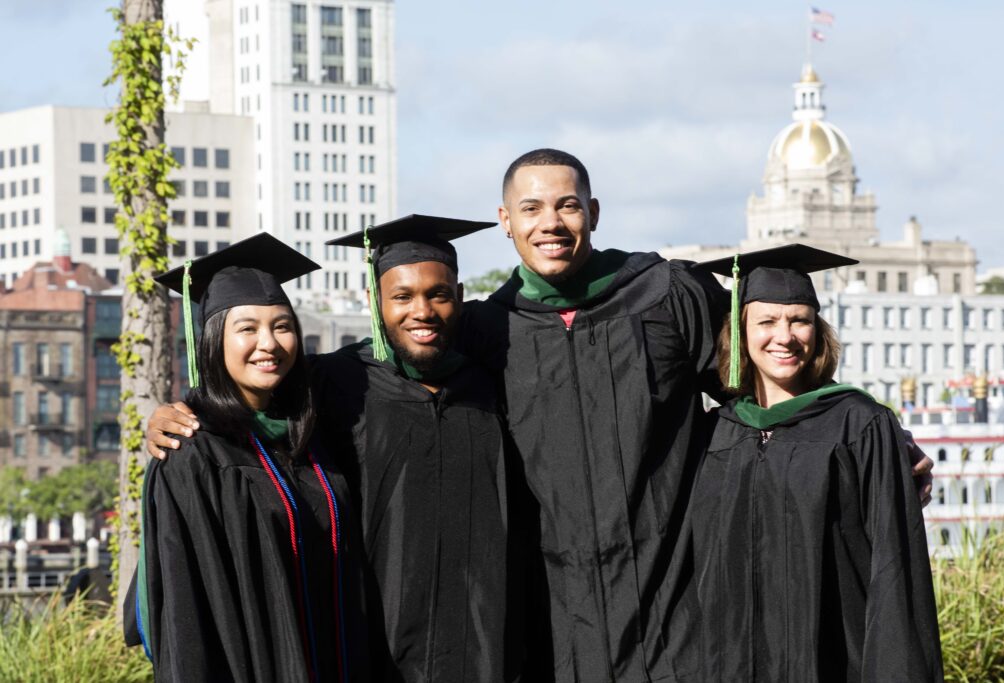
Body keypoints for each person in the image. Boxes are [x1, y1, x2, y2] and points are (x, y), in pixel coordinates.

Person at [459, 148, 934, 681]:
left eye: (567, 206)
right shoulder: (487, 332)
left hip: (678, 608)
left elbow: (765, 382)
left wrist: (879, 440)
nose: (551, 223)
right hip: (551, 617)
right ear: (506, 222)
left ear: (593, 213)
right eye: (531, 208)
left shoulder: (665, 294)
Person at [144, 216, 526, 682]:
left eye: (281, 326)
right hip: (366, 655)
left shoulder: (492, 383)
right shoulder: (342, 382)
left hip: (448, 648)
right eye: (401, 296)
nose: (268, 343)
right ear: (374, 301)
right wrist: (175, 412)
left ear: (459, 298)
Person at [686, 244, 942, 681]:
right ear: (741, 332)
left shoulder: (861, 426)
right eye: (765, 321)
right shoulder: (717, 432)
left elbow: (895, 568)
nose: (783, 336)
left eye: (798, 320)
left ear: (817, 332)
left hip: (835, 663)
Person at [124, 234, 372, 682]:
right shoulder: (192, 451)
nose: (269, 343)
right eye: (247, 328)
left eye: (282, 326)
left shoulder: (311, 434)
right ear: (213, 339)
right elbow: (185, 614)